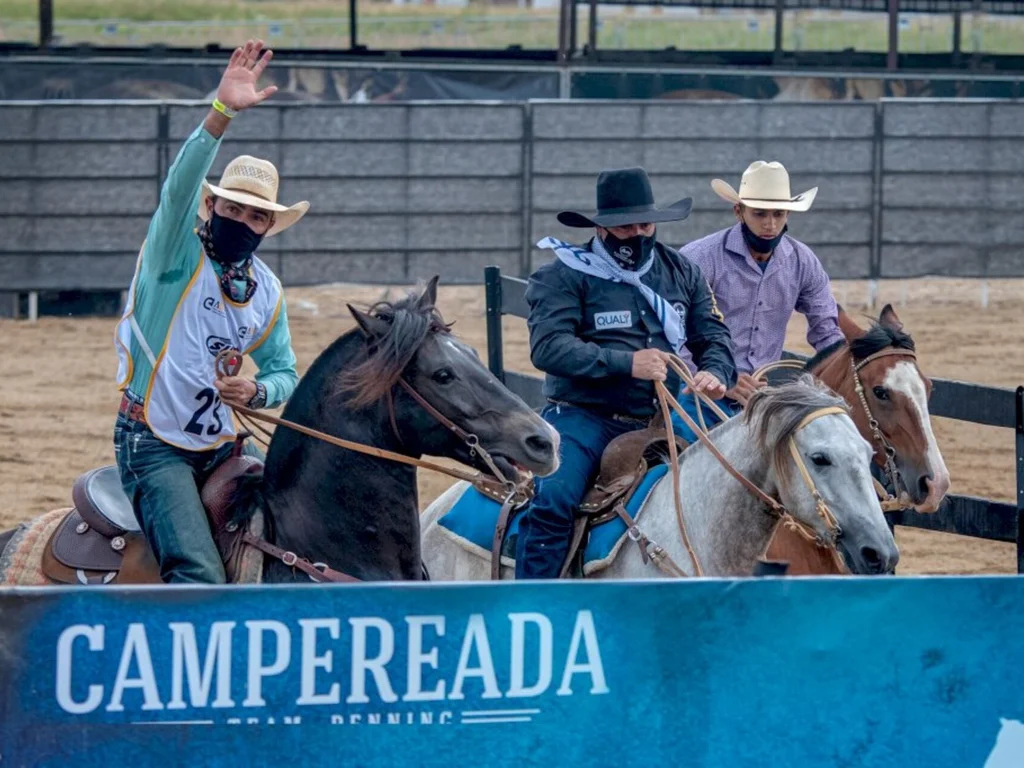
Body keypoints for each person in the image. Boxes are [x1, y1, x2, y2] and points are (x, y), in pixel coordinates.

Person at [112, 39, 309, 584]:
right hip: (153, 444)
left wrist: (258, 392)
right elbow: (176, 191)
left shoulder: (266, 290)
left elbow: (283, 371)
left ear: (269, 227)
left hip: (224, 445)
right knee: (199, 574)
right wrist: (220, 115)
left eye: (256, 215)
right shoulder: (173, 258)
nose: (242, 220)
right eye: (232, 207)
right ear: (211, 206)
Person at [515, 167, 737, 580]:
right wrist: (625, 362)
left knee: (735, 482)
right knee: (554, 499)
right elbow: (549, 347)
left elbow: (713, 333)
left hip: (664, 416)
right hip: (583, 416)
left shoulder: (680, 271)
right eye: (624, 226)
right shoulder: (563, 275)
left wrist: (715, 371)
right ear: (601, 228)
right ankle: (534, 602)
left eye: (645, 224)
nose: (637, 233)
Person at [677, 160, 844, 411]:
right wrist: (713, 377)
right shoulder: (700, 258)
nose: (770, 224)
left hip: (761, 400)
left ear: (788, 214)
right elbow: (672, 330)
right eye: (759, 213)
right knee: (684, 443)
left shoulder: (803, 261)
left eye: (778, 214)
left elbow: (827, 330)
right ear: (738, 211)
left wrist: (847, 368)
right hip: (697, 393)